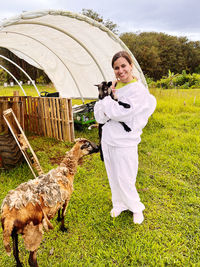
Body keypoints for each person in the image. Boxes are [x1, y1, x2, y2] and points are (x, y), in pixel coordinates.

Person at [94, 51, 157, 224]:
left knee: (126, 177)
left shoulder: (138, 91)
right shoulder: (112, 86)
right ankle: (119, 203)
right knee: (113, 175)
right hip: (108, 140)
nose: (120, 70)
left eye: (123, 66)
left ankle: (136, 207)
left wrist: (107, 102)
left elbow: (121, 112)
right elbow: (100, 115)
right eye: (116, 67)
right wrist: (106, 100)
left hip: (125, 142)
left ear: (131, 66)